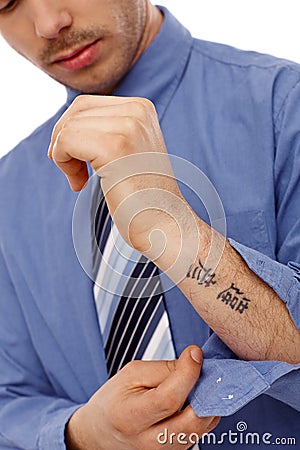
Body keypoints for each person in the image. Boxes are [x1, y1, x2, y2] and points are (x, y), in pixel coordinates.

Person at [0, 0, 299, 449]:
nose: (48, 24)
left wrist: (182, 236)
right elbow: (9, 397)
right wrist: (80, 435)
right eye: (6, 4)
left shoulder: (285, 106)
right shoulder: (8, 191)